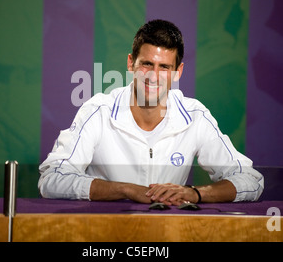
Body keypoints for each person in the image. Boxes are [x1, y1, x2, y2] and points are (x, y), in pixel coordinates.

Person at [38, 19, 263, 205]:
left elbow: (251, 180)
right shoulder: (97, 111)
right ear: (130, 63)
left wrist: (194, 193)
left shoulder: (195, 115)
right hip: (106, 233)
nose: (153, 76)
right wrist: (127, 190)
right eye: (146, 64)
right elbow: (52, 179)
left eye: (164, 67)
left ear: (178, 72)